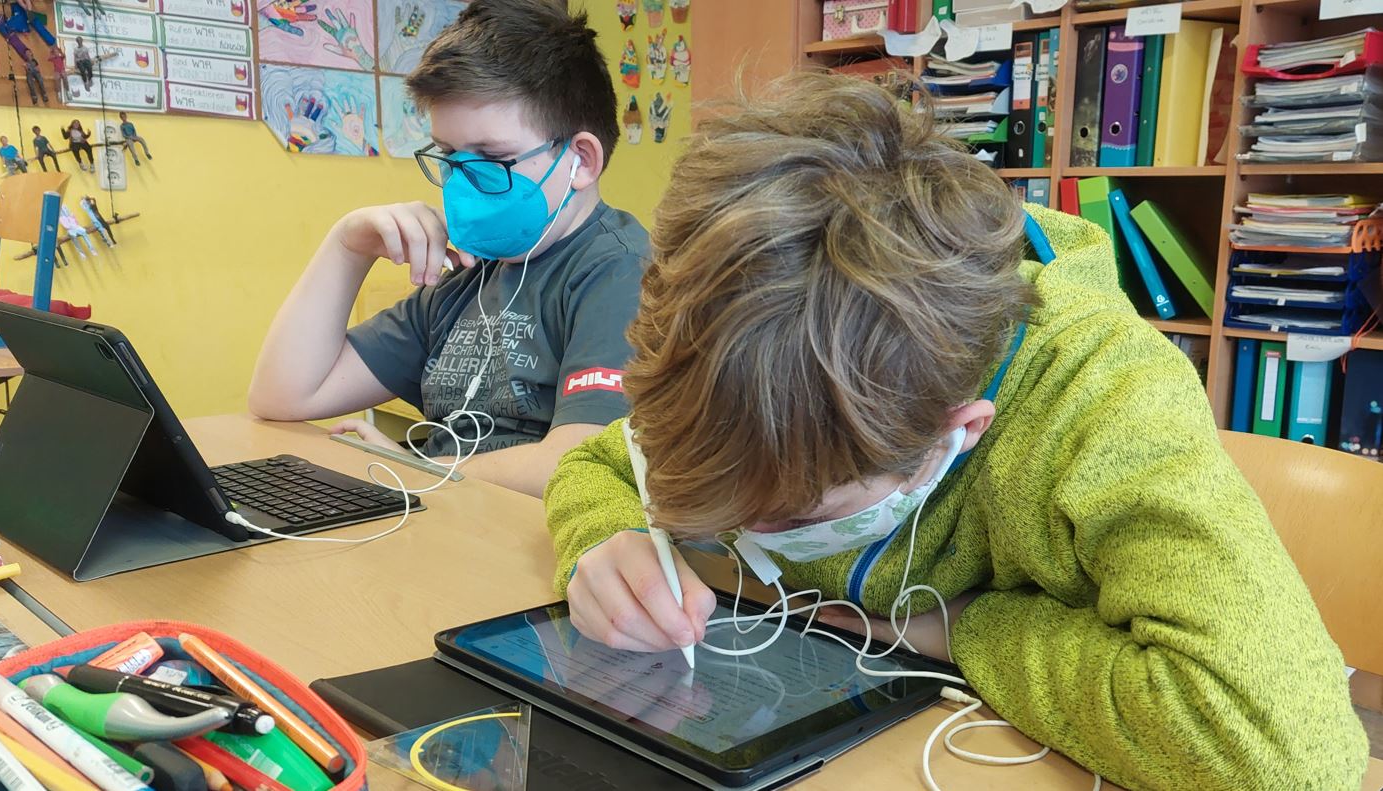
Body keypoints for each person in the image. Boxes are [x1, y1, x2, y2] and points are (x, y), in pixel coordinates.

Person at [542, 73, 1368, 791]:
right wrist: (604, 537)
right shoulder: (745, 363)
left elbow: (1284, 755)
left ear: (955, 435)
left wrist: (959, 625)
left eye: (793, 514)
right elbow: (605, 464)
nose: (747, 533)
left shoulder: (1100, 393)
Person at [249, 0, 648, 499]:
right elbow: (282, 396)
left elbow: (579, 466)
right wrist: (347, 246)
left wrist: (416, 471)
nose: (460, 181)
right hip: (449, 520)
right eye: (448, 154)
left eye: (493, 158)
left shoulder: (621, 273)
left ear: (581, 161)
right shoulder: (468, 276)